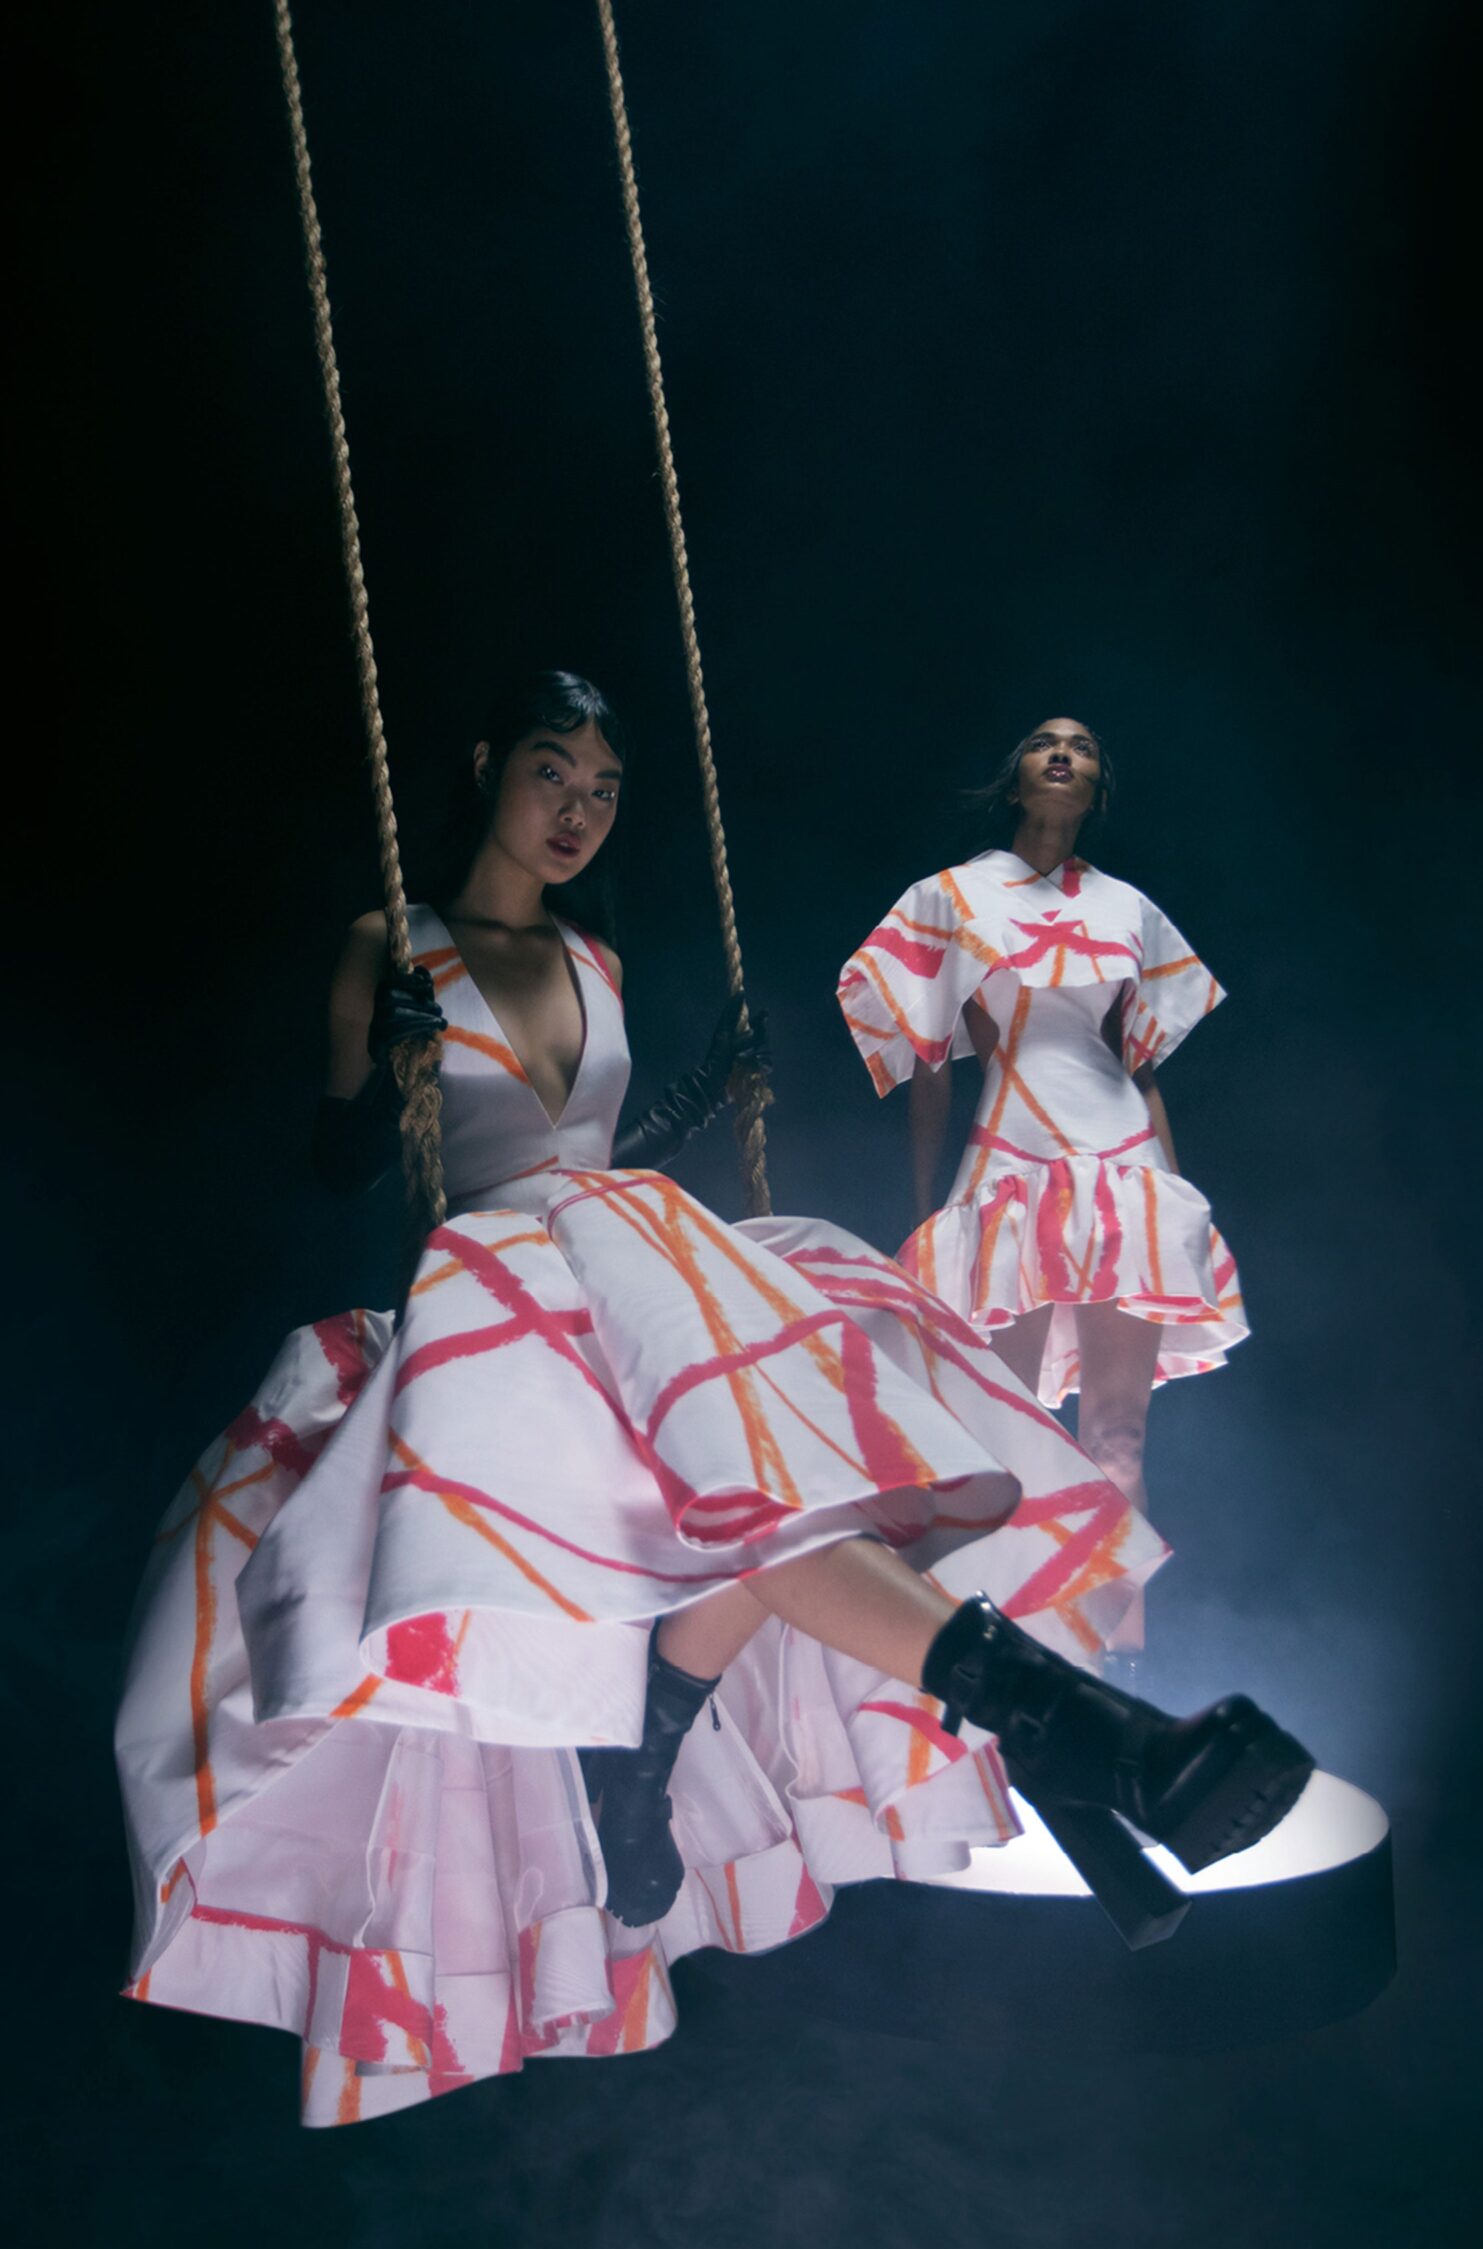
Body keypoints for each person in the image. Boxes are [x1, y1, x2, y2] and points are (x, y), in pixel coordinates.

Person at [116, 673, 1307, 2126]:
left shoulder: (595, 958)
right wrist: (390, 1079)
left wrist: (693, 1101)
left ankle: (892, 1736)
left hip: (628, 1254)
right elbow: (340, 1162)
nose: (577, 811)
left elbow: (594, 1150)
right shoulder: (394, 940)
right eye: (551, 772)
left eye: (603, 791)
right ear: (488, 767)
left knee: (807, 1454)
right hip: (500, 1284)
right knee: (760, 1469)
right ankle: (1074, 1742)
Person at [839, 716, 1248, 1666]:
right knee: (1004, 1433)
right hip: (1007, 1164)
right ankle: (1005, 1667)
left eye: (1084, 747)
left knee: (1117, 1435)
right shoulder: (950, 896)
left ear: (1096, 788)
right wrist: (925, 1210)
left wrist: (1177, 1206)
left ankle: (1118, 1668)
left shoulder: (1128, 909)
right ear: (1015, 776)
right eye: (1043, 743)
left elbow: (1140, 1066)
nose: (1063, 753)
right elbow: (929, 1067)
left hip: (1121, 1159)